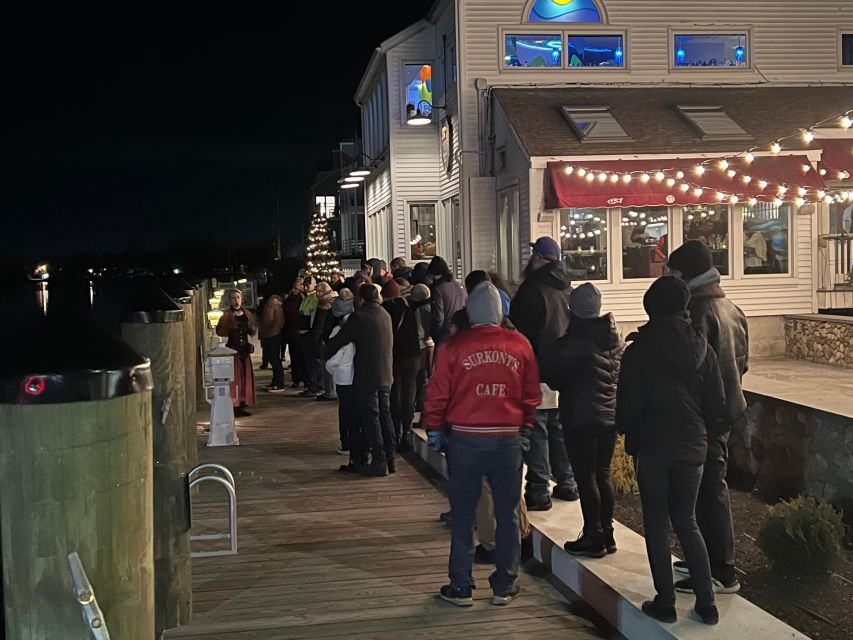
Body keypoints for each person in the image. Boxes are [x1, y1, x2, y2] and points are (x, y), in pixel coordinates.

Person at [616, 276, 726, 626]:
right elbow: (717, 404)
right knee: (688, 520)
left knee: (657, 523)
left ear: (650, 307)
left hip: (652, 447)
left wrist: (626, 429)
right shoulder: (703, 350)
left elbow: (628, 407)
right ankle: (707, 603)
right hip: (693, 445)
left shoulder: (638, 352)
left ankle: (665, 600)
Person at [424, 282, 541, 607]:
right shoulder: (520, 345)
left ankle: (460, 585)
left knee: (463, 515)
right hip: (507, 438)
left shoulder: (453, 347)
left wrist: (434, 427)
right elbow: (531, 393)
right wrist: (526, 425)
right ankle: (505, 584)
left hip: (465, 438)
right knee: (506, 514)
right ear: (501, 312)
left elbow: (438, 393)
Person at [667, 240, 748, 594]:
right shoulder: (731, 307)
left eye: (674, 272)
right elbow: (743, 362)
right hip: (728, 407)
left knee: (710, 488)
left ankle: (722, 570)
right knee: (705, 485)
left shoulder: (698, 313)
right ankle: (705, 557)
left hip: (706, 413)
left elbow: (693, 367)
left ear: (687, 275)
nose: (671, 279)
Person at [543, 283, 623, 557]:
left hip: (580, 417)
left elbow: (553, 377)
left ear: (572, 310)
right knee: (602, 474)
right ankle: (607, 533)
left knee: (585, 477)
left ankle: (592, 536)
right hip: (609, 415)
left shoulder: (570, 342)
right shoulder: (614, 337)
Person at [509, 236, 577, 511]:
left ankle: (538, 490)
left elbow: (520, 334)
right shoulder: (566, 289)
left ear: (538, 258)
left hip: (536, 369)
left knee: (537, 431)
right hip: (563, 369)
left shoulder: (531, 290)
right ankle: (568, 482)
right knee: (558, 430)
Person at [325, 284, 396, 476]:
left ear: (361, 299)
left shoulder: (360, 317)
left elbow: (340, 340)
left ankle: (379, 462)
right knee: (385, 416)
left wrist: (324, 350)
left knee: (371, 419)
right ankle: (391, 459)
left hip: (367, 377)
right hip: (386, 374)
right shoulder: (385, 314)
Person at [382, 278, 421, 452]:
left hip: (396, 357)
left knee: (395, 395)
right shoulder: (409, 308)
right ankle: (406, 432)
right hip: (413, 356)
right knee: (409, 394)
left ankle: (396, 433)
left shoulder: (385, 310)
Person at [326, 290, 360, 464]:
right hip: (358, 375)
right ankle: (356, 444)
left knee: (345, 411)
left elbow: (335, 356)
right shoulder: (360, 324)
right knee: (355, 411)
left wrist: (329, 366)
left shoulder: (338, 330)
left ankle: (346, 443)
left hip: (343, 376)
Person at [215, 289, 257, 417]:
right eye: (233, 298)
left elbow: (252, 329)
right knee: (235, 379)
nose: (236, 300)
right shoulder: (226, 315)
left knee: (245, 377)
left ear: (241, 299)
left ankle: (243, 403)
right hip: (232, 350)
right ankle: (235, 404)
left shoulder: (247, 313)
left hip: (244, 349)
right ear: (230, 300)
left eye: (238, 297)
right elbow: (220, 332)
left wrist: (251, 330)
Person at [303, 282, 336, 399]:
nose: (317, 294)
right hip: (324, 338)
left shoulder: (324, 305)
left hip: (321, 339)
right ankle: (325, 389)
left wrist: (315, 339)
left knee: (321, 364)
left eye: (319, 291)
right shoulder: (331, 302)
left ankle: (324, 389)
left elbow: (319, 325)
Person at [427, 256, 467, 346]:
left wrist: (434, 333)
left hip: (445, 335)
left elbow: (438, 317)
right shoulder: (460, 286)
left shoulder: (438, 289)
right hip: (461, 332)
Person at [410, 283, 434, 419]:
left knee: (421, 376)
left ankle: (421, 406)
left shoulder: (418, 310)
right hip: (432, 344)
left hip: (422, 346)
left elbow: (420, 331)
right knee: (429, 375)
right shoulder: (431, 306)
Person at [258, 288, 286, 392]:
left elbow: (267, 320)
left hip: (271, 334)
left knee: (274, 359)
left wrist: (263, 333)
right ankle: (276, 381)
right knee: (275, 358)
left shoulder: (271, 303)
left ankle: (279, 383)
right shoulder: (278, 303)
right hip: (276, 333)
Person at [284, 278, 308, 388]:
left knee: (295, 357)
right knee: (301, 357)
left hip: (291, 330)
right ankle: (302, 379)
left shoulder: (289, 298)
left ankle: (297, 380)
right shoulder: (302, 298)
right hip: (298, 331)